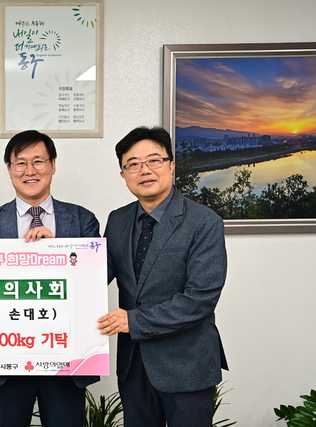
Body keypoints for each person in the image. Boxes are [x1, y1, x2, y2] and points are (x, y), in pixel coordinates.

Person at [97, 126, 228, 427]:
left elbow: (200, 299)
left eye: (154, 160)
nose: (144, 170)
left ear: (171, 165)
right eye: (133, 164)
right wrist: (54, 252)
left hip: (187, 365)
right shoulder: (118, 220)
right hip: (134, 365)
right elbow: (97, 272)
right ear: (123, 174)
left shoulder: (204, 222)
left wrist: (134, 322)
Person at [0, 130, 100, 427]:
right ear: (9, 169)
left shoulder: (82, 219)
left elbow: (97, 279)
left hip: (65, 357)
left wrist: (59, 252)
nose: (30, 171)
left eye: (38, 161)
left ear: (53, 165)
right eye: (20, 163)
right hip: (5, 360)